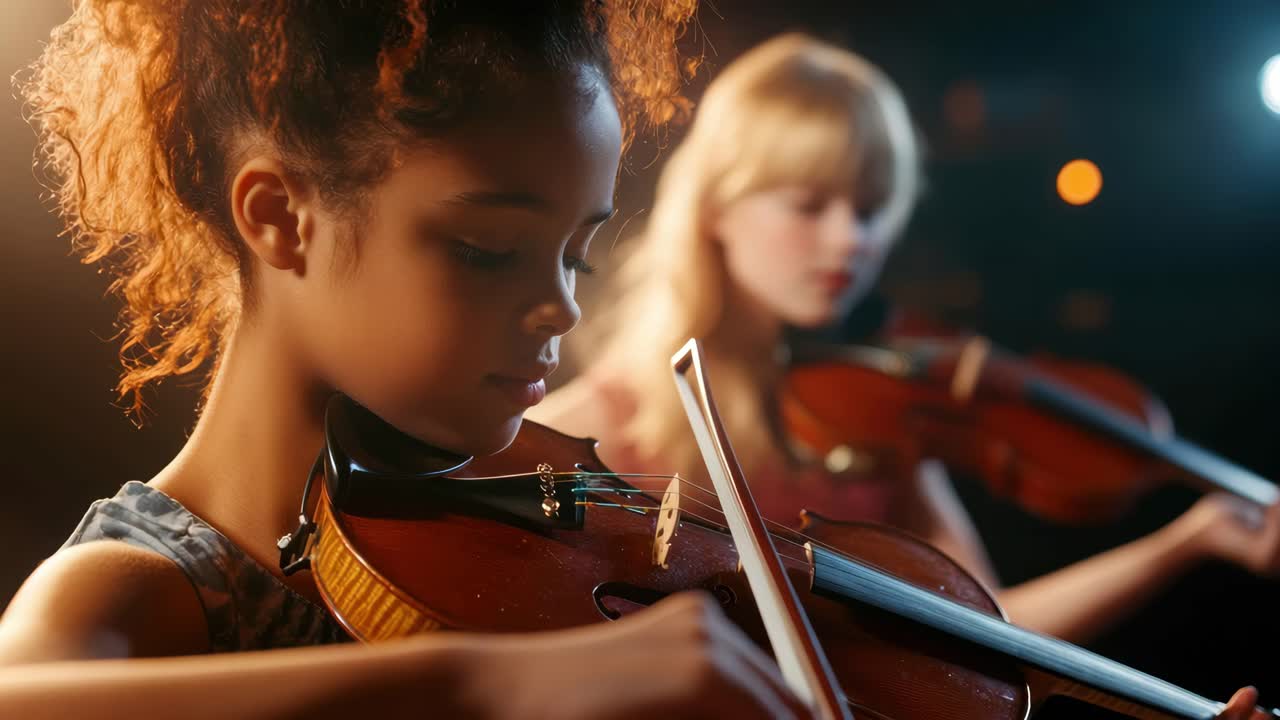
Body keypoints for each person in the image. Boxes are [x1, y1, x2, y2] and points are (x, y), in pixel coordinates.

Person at [0, 3, 819, 718]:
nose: (564, 306)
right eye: (488, 250)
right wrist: (484, 683)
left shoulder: (511, 559)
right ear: (282, 217)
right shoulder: (138, 588)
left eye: (577, 256)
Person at [533, 31, 1280, 656]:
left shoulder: (870, 423)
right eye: (809, 204)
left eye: (869, 209)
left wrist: (1189, 542)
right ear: (716, 208)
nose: (849, 241)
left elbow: (996, 629)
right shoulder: (585, 427)